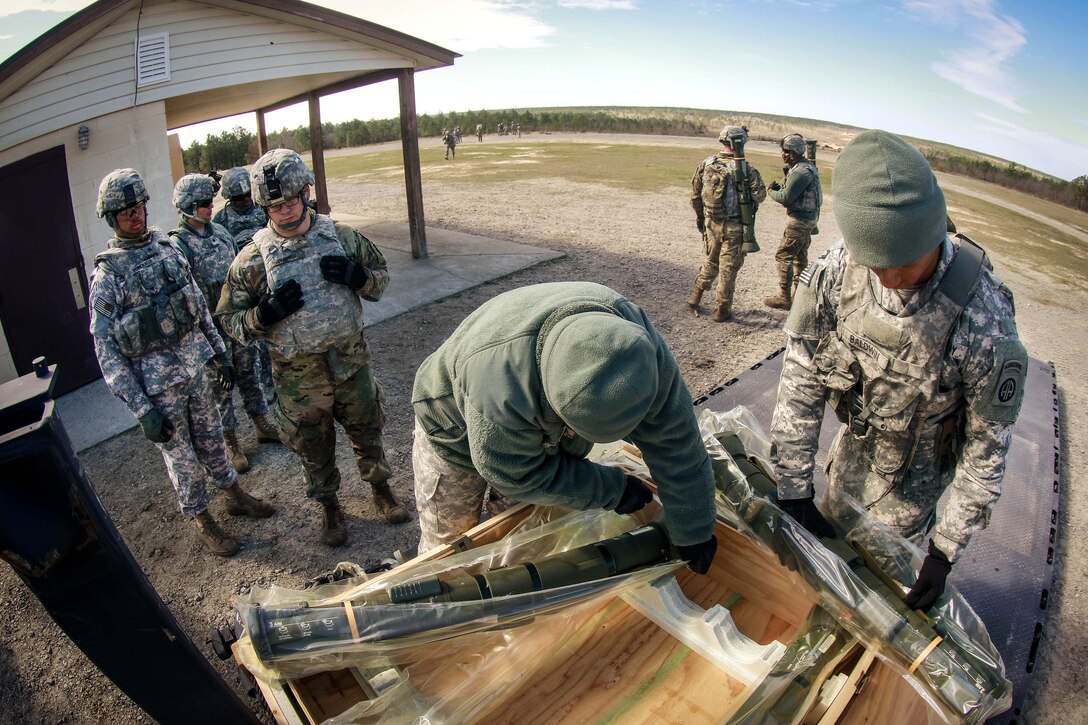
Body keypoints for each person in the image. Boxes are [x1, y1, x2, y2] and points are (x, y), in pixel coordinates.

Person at [768, 130, 1028, 610]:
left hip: (911, 498)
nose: (888, 280)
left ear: (933, 232)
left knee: (876, 603)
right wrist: (793, 487)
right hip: (846, 470)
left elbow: (986, 449)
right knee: (820, 581)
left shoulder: (983, 319)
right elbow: (800, 380)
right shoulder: (837, 271)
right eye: (875, 263)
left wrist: (944, 551)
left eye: (903, 262)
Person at [411, 281, 719, 573]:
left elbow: (677, 443)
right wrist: (611, 488)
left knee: (524, 534)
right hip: (452, 425)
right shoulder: (499, 382)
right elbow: (514, 473)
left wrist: (694, 529)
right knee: (450, 544)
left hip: (524, 415)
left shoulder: (639, 350)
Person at [216, 149, 409, 546]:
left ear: (306, 192)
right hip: (298, 382)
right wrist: (263, 315)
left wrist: (358, 277)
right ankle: (330, 507)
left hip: (351, 366)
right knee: (313, 447)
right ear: (263, 207)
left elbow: (381, 279)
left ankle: (381, 491)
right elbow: (228, 321)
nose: (284, 212)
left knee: (368, 432)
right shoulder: (252, 261)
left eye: (290, 201)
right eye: (274, 206)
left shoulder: (340, 237)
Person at [88, 169, 274, 557]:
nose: (135, 216)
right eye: (125, 212)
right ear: (112, 218)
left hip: (195, 369)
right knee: (184, 459)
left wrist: (219, 351)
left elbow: (197, 305)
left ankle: (234, 495)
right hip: (159, 390)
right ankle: (202, 519)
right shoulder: (109, 277)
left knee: (212, 441)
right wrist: (142, 410)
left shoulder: (166, 249)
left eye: (138, 207)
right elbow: (106, 350)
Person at [168, 174, 281, 473]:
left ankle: (261, 423)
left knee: (250, 374)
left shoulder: (220, 233)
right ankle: (231, 443)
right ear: (188, 207)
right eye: (203, 204)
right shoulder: (179, 246)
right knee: (221, 388)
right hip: (210, 332)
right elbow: (185, 298)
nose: (210, 207)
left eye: (210, 202)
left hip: (235, 322)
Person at [687, 126, 768, 321]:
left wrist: (701, 218)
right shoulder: (746, 169)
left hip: (711, 223)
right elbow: (761, 195)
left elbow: (695, 195)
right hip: (735, 227)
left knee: (710, 260)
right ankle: (722, 309)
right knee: (728, 268)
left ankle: (695, 296)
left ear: (722, 141)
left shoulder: (707, 164)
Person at [764, 133, 823, 310]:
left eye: (785, 150)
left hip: (799, 221)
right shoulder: (805, 167)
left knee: (784, 256)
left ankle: (784, 297)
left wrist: (770, 191)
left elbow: (785, 198)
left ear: (793, 152)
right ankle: (799, 295)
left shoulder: (800, 172)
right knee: (800, 257)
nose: (782, 153)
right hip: (808, 220)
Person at [212, 167, 268, 248]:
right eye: (240, 197)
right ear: (230, 198)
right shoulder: (221, 218)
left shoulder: (265, 208)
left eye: (249, 194)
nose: (246, 199)